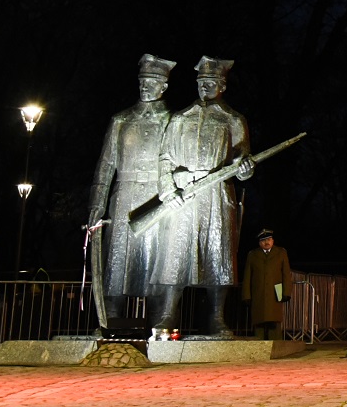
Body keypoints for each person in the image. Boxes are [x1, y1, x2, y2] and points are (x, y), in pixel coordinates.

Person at [153, 56, 253, 335]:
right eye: (201, 83)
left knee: (218, 256)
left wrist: (245, 169)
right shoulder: (180, 118)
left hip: (216, 196)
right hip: (184, 195)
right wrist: (168, 189)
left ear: (222, 85)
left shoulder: (233, 119)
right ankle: (167, 315)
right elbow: (165, 158)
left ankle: (217, 318)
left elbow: (242, 163)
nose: (205, 88)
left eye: (210, 83)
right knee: (176, 255)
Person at [89, 53, 178, 329]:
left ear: (163, 86)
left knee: (157, 259)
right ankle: (110, 316)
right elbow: (105, 165)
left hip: (156, 194)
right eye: (142, 81)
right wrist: (96, 205)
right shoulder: (121, 120)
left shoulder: (174, 121)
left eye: (151, 82)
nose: (144, 86)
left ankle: (161, 317)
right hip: (123, 197)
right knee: (116, 260)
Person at [239, 227, 293, 340]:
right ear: (259, 243)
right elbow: (247, 276)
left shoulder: (281, 253)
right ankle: (259, 349)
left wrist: (287, 292)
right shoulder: (253, 255)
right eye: (263, 240)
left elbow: (286, 274)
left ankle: (275, 347)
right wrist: (246, 295)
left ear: (273, 241)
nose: (266, 242)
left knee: (274, 321)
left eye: (269, 239)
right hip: (258, 294)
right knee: (259, 322)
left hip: (275, 294)